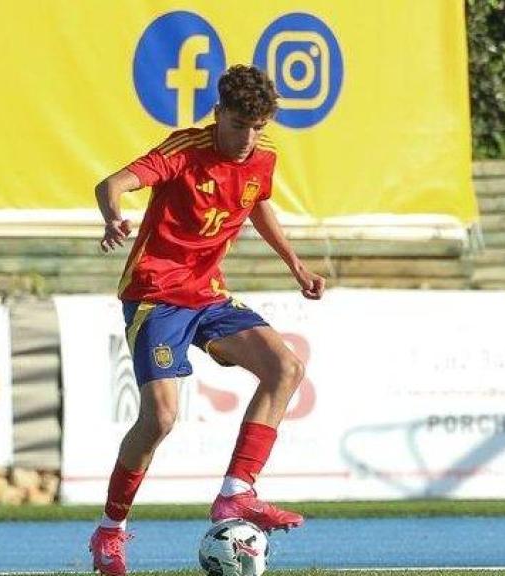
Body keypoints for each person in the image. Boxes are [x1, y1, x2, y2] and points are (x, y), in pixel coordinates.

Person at [88, 65, 325, 576]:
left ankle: (236, 494)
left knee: (285, 368)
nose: (248, 138)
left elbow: (257, 204)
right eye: (239, 124)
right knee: (161, 418)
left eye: (259, 126)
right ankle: (110, 532)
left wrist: (295, 263)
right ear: (218, 114)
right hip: (156, 296)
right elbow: (112, 184)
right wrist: (113, 215)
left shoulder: (262, 159)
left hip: (208, 295)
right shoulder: (184, 150)